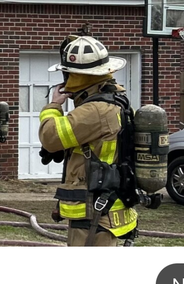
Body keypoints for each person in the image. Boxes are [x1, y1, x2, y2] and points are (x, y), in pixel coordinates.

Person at [38, 35, 137, 246]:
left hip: (94, 212)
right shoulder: (115, 101)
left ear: (78, 76)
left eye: (69, 74)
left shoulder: (95, 110)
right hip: (104, 208)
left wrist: (53, 106)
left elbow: (49, 137)